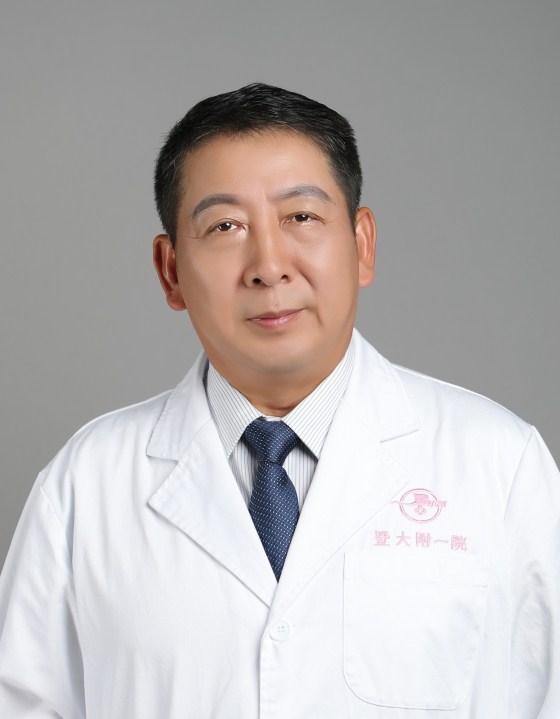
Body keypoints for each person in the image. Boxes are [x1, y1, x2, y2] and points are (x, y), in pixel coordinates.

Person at [0, 83, 558, 718]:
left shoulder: (499, 464)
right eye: (225, 226)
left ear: (362, 244)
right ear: (171, 271)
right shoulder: (86, 484)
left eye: (301, 217)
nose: (268, 265)